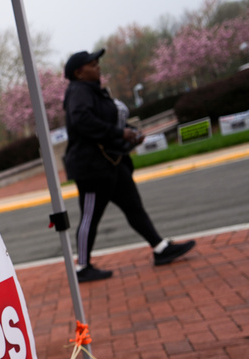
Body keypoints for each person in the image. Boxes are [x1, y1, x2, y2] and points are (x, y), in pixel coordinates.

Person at [62, 48, 195, 282]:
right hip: (91, 169)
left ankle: (160, 248)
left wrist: (129, 134)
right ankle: (82, 267)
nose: (98, 67)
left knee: (134, 207)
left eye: (98, 63)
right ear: (79, 72)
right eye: (93, 64)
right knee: (89, 217)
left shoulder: (94, 91)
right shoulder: (78, 91)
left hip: (113, 162)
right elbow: (83, 122)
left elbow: (104, 124)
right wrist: (119, 133)